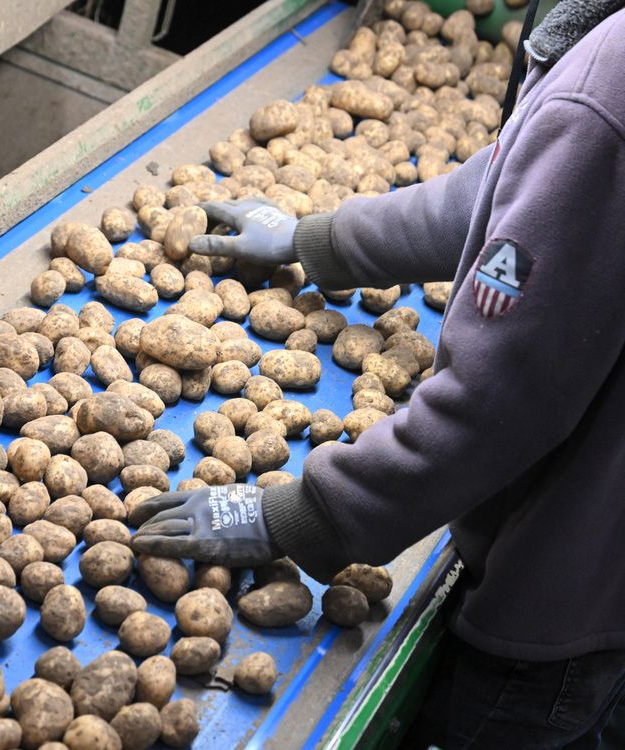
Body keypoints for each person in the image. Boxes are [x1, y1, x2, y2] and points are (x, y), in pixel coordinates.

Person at [131, 1, 625, 747]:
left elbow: (500, 404)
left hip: (562, 605)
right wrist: (316, 239)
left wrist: (299, 516)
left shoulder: (610, 90)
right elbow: (509, 187)